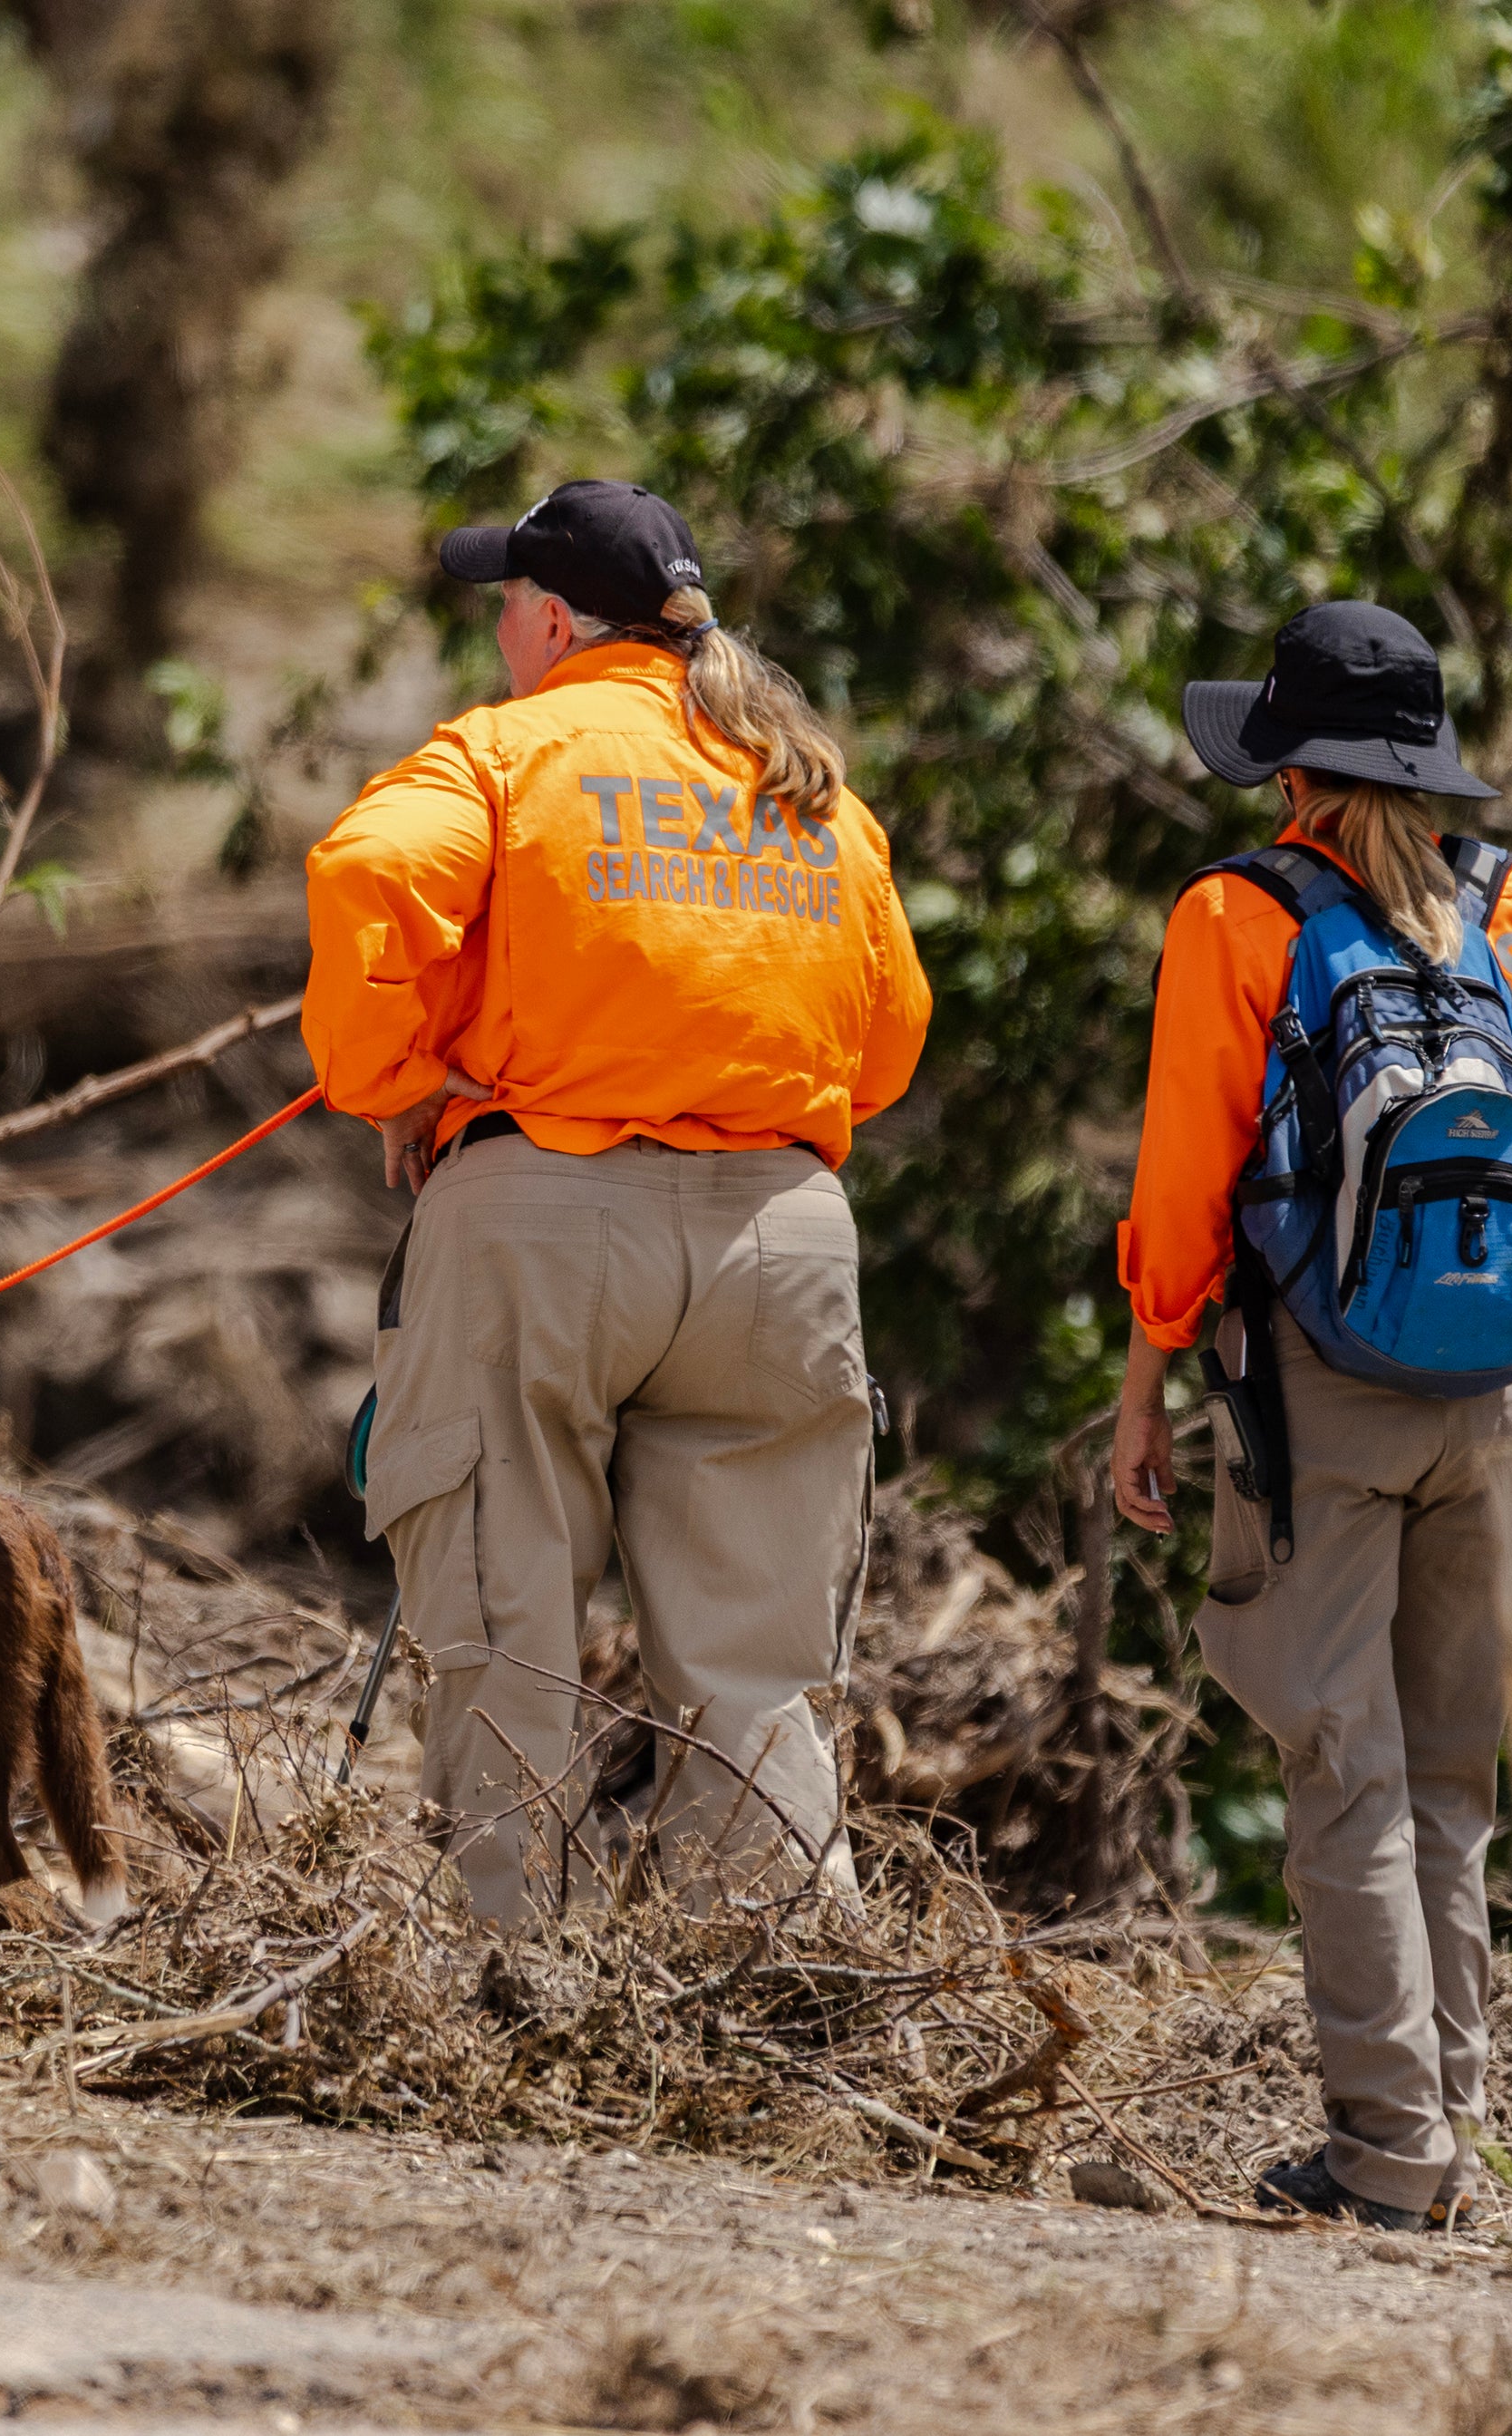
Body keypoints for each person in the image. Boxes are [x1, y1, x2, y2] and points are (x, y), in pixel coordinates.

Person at [303, 480, 933, 1926]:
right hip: (782, 1240)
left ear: (547, 619)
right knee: (757, 1662)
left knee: (507, 1624)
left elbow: (367, 870)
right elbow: (887, 1040)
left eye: (503, 609)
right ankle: (772, 1997)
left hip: (543, 1225)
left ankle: (507, 1989)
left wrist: (401, 1077)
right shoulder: (809, 784)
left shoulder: (506, 751)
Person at [1110, 601, 1512, 2232]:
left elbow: (1188, 1190)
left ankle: (1389, 2152)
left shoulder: (1239, 914)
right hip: (1498, 1389)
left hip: (1316, 1393)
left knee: (1339, 1762)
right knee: (1447, 1781)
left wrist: (1149, 1390)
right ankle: (1453, 2136)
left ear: (1291, 767)